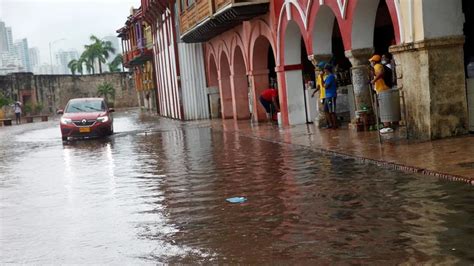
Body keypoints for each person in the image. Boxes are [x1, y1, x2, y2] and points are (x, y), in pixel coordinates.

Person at [369, 54, 393, 133]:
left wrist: (374, 80)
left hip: (382, 89)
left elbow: (381, 73)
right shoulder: (376, 67)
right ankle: (387, 124)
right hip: (381, 89)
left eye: (372, 61)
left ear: (374, 61)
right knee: (384, 107)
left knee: (384, 108)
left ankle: (387, 126)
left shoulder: (378, 66)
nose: (371, 62)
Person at [311, 61, 329, 127]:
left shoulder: (326, 75)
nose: (318, 69)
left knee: (329, 110)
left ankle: (330, 124)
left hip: (327, 95)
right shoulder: (319, 76)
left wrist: (321, 77)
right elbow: (319, 86)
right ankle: (328, 123)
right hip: (322, 96)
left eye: (319, 68)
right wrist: (314, 92)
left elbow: (324, 84)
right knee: (325, 111)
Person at [323, 64, 338, 129]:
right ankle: (330, 124)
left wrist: (324, 85)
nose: (324, 71)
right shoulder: (328, 77)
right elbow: (324, 84)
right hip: (327, 96)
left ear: (327, 70)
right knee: (325, 110)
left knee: (332, 111)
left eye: (324, 69)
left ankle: (335, 124)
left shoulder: (331, 77)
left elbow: (326, 86)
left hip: (331, 95)